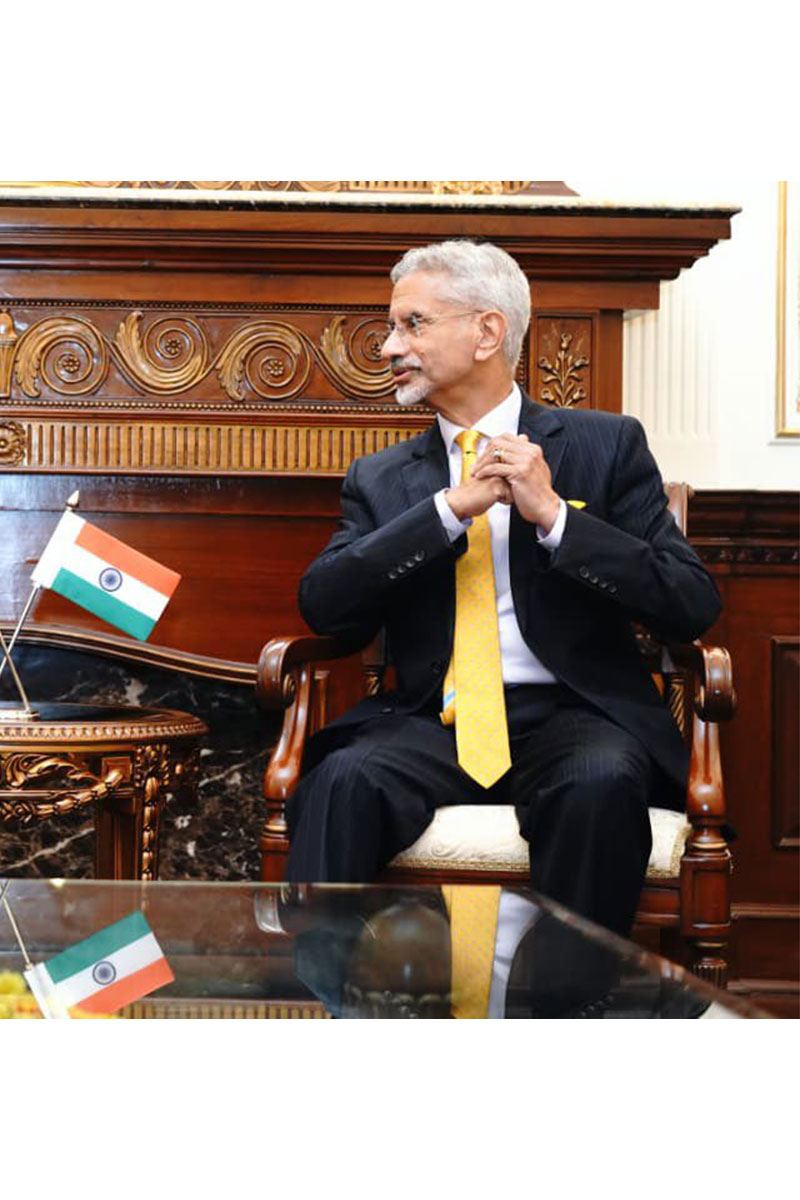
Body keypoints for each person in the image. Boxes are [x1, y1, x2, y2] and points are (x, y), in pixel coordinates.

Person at [285, 239, 721, 937]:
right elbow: (325, 607)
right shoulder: (380, 476)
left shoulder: (604, 446)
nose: (390, 346)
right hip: (434, 720)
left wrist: (553, 517)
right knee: (341, 782)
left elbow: (690, 600)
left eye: (413, 324)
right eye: (393, 326)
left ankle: (565, 1018)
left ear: (487, 331)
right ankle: (329, 1009)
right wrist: (445, 512)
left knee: (599, 783)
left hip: (575, 714)